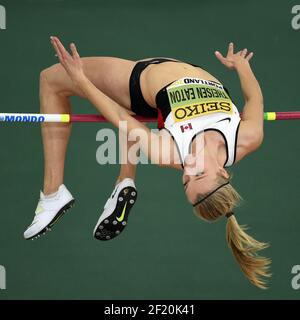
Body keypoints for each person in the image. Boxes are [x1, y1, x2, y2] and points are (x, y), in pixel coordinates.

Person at [24, 37, 270, 288]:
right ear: (223, 172)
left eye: (185, 181)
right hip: (182, 72)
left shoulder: (169, 152)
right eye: (199, 174)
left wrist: (82, 81)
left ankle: (54, 192)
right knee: (129, 118)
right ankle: (125, 180)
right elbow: (254, 101)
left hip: (143, 81)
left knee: (51, 79)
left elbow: (121, 118)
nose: (188, 169)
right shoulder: (246, 139)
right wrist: (242, 66)